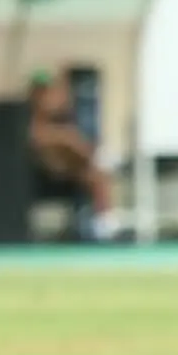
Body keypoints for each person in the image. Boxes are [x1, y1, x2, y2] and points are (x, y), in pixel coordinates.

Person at [28, 67, 117, 240]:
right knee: (88, 160)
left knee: (97, 175)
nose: (49, 96)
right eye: (43, 92)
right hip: (45, 175)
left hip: (73, 170)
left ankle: (105, 225)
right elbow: (38, 138)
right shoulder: (30, 117)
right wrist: (65, 138)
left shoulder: (65, 116)